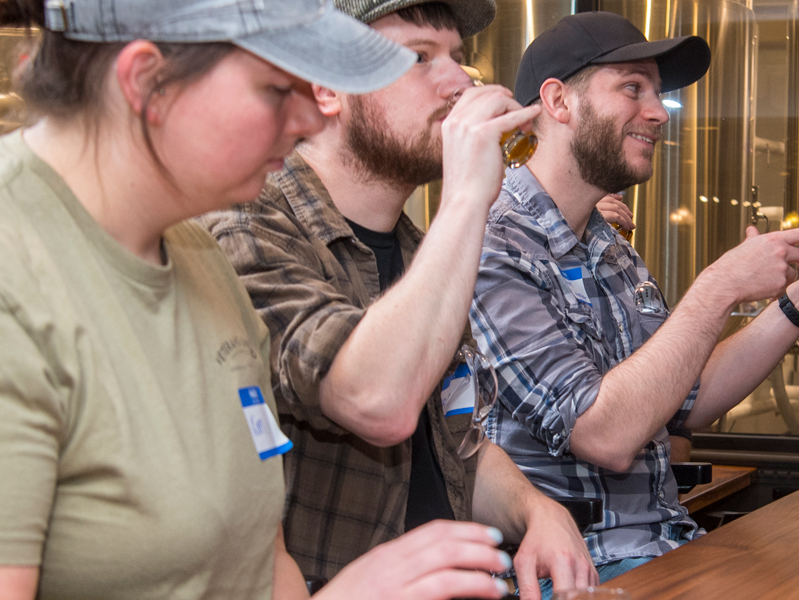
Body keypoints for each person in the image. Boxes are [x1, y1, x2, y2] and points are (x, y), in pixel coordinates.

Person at [0, 0, 516, 597]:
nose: (306, 120)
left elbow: (265, 561)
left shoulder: (196, 256)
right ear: (148, 82)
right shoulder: (21, 274)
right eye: (276, 88)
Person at [469, 11, 799, 585]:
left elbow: (686, 398)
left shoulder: (610, 249)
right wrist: (719, 286)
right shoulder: (490, 241)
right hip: (578, 568)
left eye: (657, 92)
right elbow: (603, 433)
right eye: (633, 87)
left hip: (665, 543)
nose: (657, 112)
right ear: (558, 101)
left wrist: (797, 304)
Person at [196, 0, 596, 592]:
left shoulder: (416, 250)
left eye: (458, 57)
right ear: (328, 88)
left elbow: (453, 439)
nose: (460, 81)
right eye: (418, 57)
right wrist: (466, 199)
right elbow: (377, 399)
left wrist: (535, 511)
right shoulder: (246, 228)